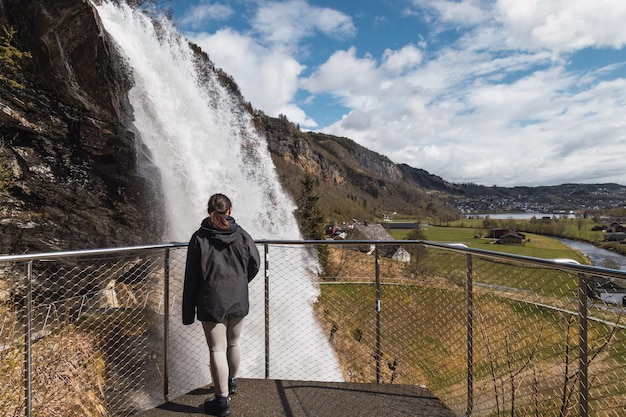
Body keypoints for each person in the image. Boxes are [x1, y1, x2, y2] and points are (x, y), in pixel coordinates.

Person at [182, 193, 261, 417]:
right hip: (238, 297)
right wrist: (240, 283)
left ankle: (221, 401)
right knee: (234, 343)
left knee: (217, 349)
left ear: (209, 211)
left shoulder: (199, 238)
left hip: (211, 300)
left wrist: (188, 311)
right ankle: (231, 383)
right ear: (230, 210)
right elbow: (255, 263)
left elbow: (191, 277)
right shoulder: (242, 235)